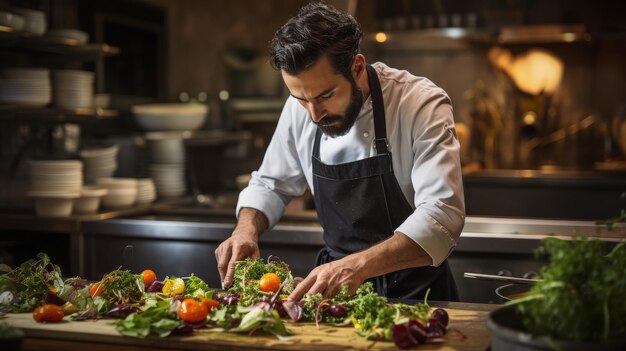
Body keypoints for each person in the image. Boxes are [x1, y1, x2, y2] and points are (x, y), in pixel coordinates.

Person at [215, 1, 465, 302]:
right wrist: (246, 228)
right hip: (334, 294)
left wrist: (357, 267)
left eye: (326, 96)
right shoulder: (304, 106)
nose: (314, 114)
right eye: (301, 99)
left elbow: (442, 216)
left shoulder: (419, 103)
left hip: (417, 294)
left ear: (357, 67)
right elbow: (271, 183)